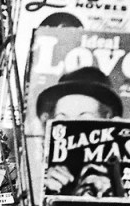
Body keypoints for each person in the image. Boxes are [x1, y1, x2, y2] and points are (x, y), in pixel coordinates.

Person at [37, 66, 123, 196]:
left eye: (84, 117)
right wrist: (44, 191)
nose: (72, 128)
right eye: (62, 118)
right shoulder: (45, 176)